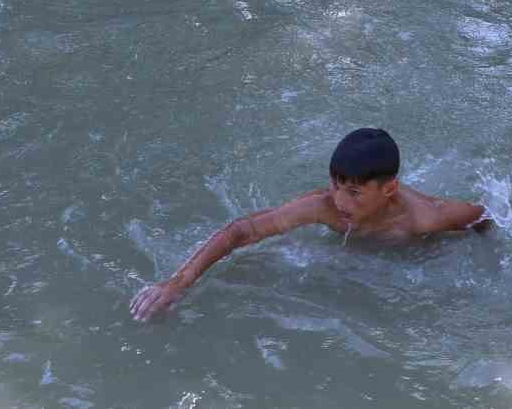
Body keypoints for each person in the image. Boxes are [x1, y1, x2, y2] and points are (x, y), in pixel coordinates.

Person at [129, 128, 492, 321]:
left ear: (390, 189)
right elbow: (244, 231)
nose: (340, 201)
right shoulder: (324, 206)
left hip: (412, 258)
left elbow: (486, 217)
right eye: (336, 185)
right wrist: (178, 283)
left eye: (353, 192)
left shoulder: (427, 217)